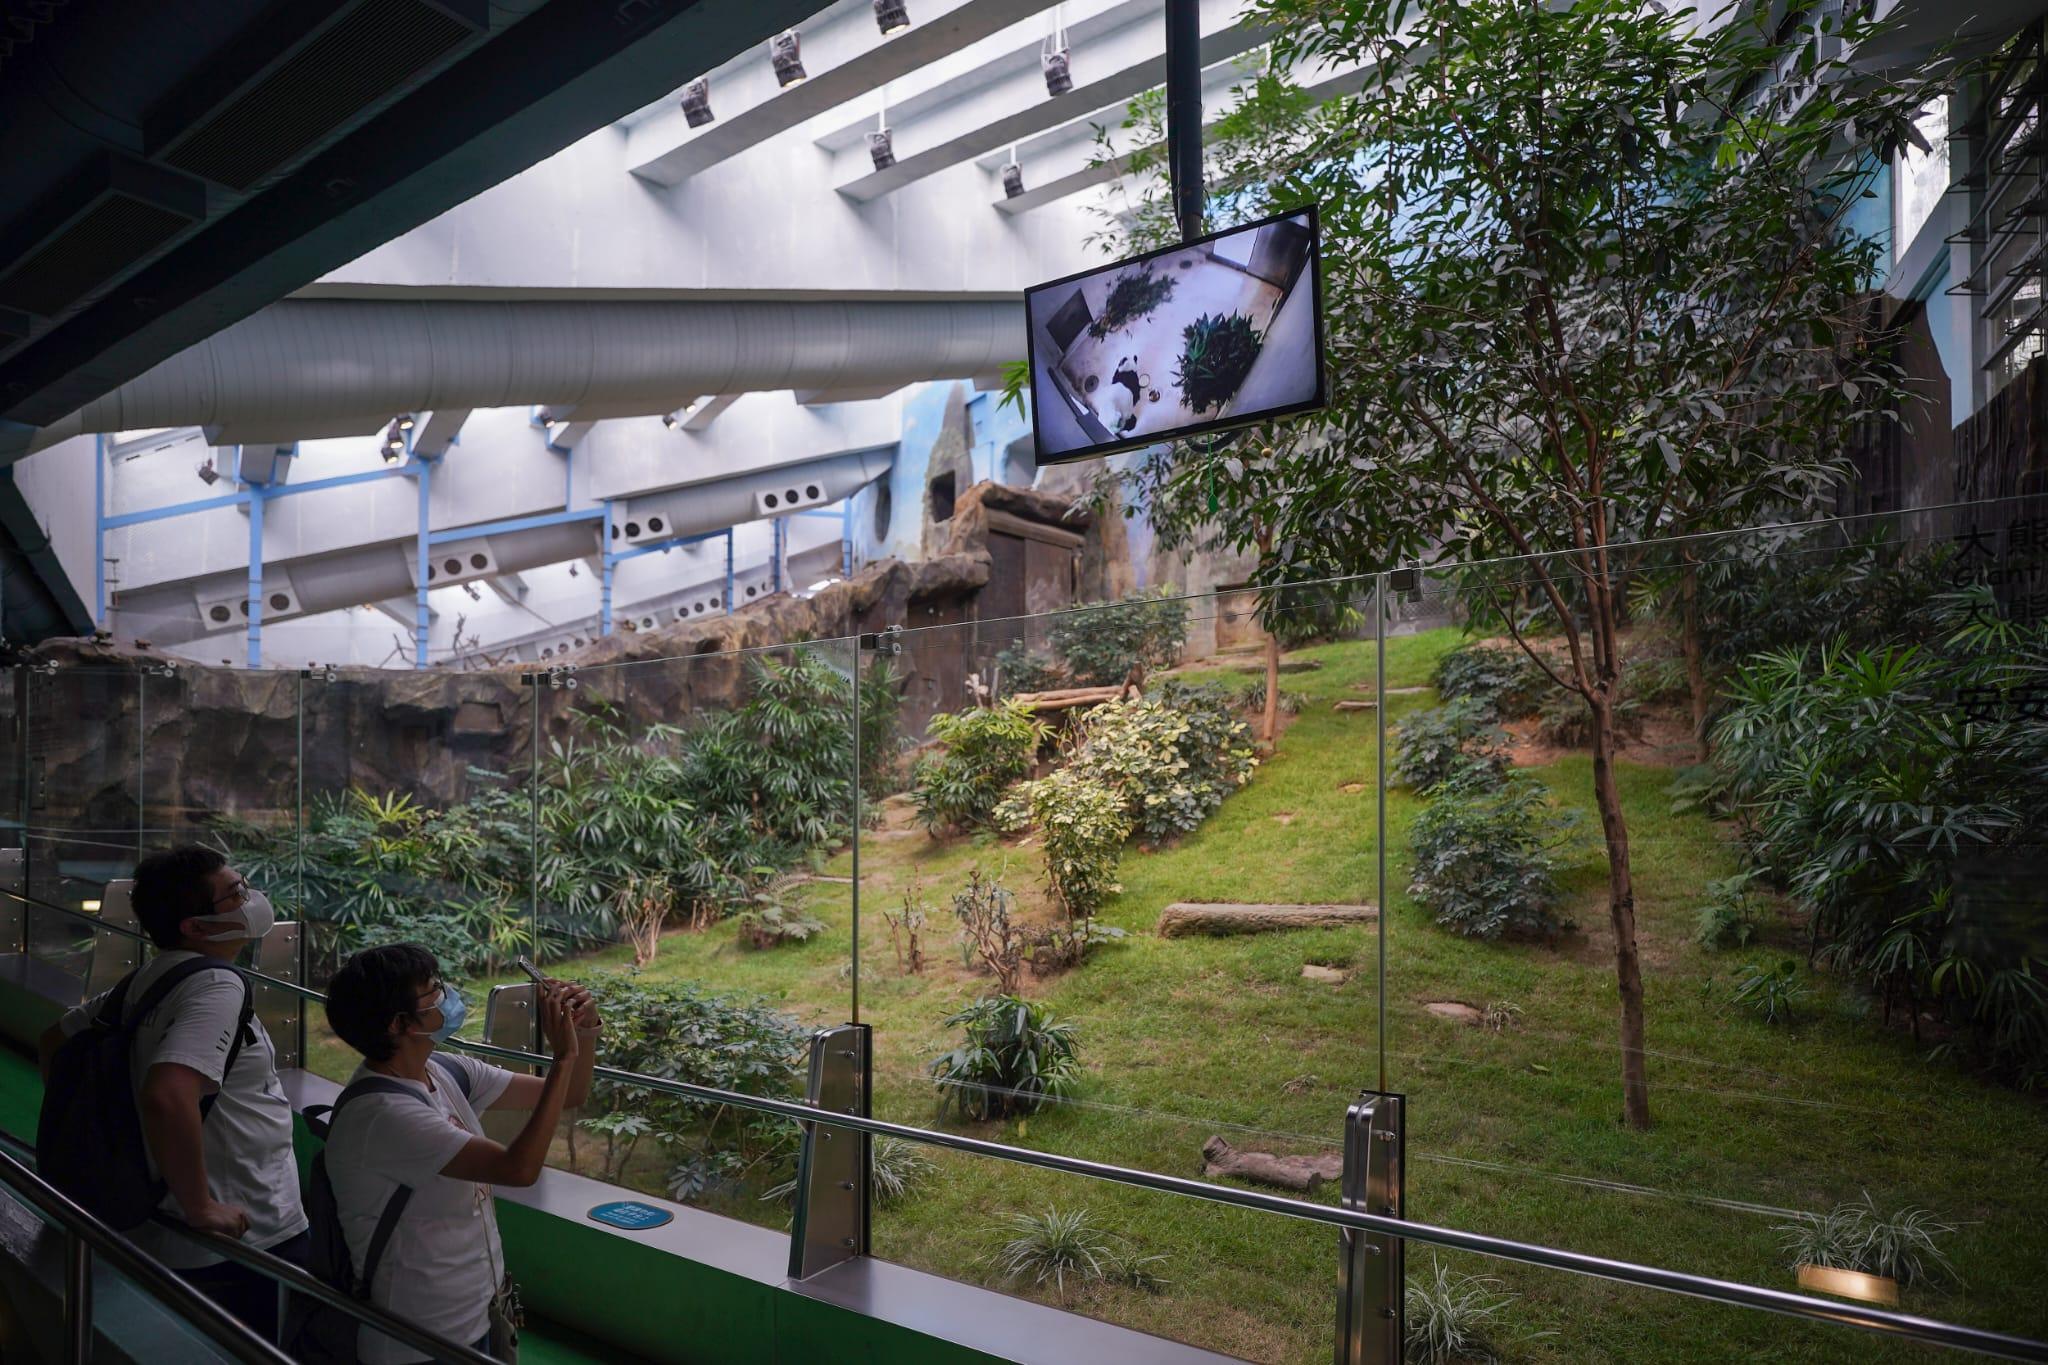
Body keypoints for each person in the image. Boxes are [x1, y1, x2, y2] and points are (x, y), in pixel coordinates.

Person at [37, 845, 309, 1341]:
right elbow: (168, 1093)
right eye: (235, 895)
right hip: (239, 1232)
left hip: (160, 1221)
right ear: (196, 927)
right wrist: (201, 1205)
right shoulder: (217, 987)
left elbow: (56, 1042)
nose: (251, 899)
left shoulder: (148, 979)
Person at [321, 944, 599, 1362]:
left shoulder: (445, 1070)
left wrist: (586, 1029)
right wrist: (562, 1057)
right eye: (433, 991)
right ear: (400, 1024)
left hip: (479, 1314)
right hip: (417, 1339)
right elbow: (519, 1168)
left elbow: (570, 1094)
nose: (447, 995)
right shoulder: (383, 1115)